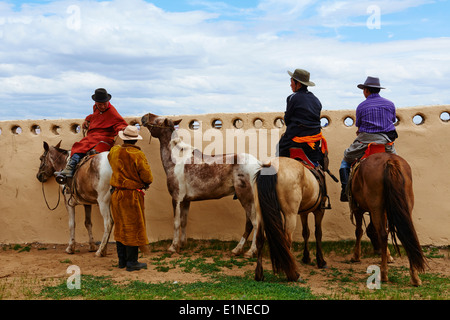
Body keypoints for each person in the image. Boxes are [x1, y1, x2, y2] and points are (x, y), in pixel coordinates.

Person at [339, 76, 398, 202]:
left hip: (365, 142)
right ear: (378, 90)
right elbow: (392, 120)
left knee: (345, 160)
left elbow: (359, 126)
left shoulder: (361, 106)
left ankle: (344, 191)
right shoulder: (390, 104)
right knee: (398, 165)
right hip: (386, 143)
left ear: (366, 90)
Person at [56, 88, 128, 184]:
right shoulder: (96, 107)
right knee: (80, 144)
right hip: (92, 136)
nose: (102, 106)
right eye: (99, 104)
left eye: (104, 104)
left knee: (80, 146)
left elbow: (119, 123)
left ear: (108, 101)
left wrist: (123, 129)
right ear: (96, 103)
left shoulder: (112, 112)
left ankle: (71, 166)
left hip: (104, 138)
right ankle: (71, 166)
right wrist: (87, 120)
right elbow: (94, 115)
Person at [108, 125, 153, 271]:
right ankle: (132, 262)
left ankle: (122, 261)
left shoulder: (114, 151)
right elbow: (147, 176)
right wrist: (143, 182)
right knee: (133, 227)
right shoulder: (137, 154)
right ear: (135, 140)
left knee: (120, 226)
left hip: (116, 194)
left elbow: (110, 161)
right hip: (131, 196)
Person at [277, 68, 326, 167]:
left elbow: (287, 120)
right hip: (314, 140)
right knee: (317, 158)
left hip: (296, 140)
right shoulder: (316, 100)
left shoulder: (292, 98)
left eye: (291, 82)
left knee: (279, 147)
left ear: (298, 84)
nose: (290, 85)